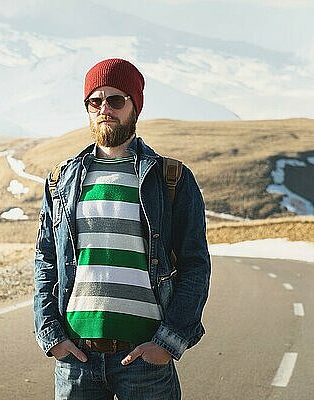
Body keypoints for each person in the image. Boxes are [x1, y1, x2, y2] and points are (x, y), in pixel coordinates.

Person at [33, 58, 211, 399]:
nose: (105, 109)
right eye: (95, 101)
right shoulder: (60, 181)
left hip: (145, 359)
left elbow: (195, 265)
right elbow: (46, 261)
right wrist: (51, 335)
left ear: (135, 106)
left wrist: (168, 343)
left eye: (116, 100)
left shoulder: (170, 178)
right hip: (76, 360)